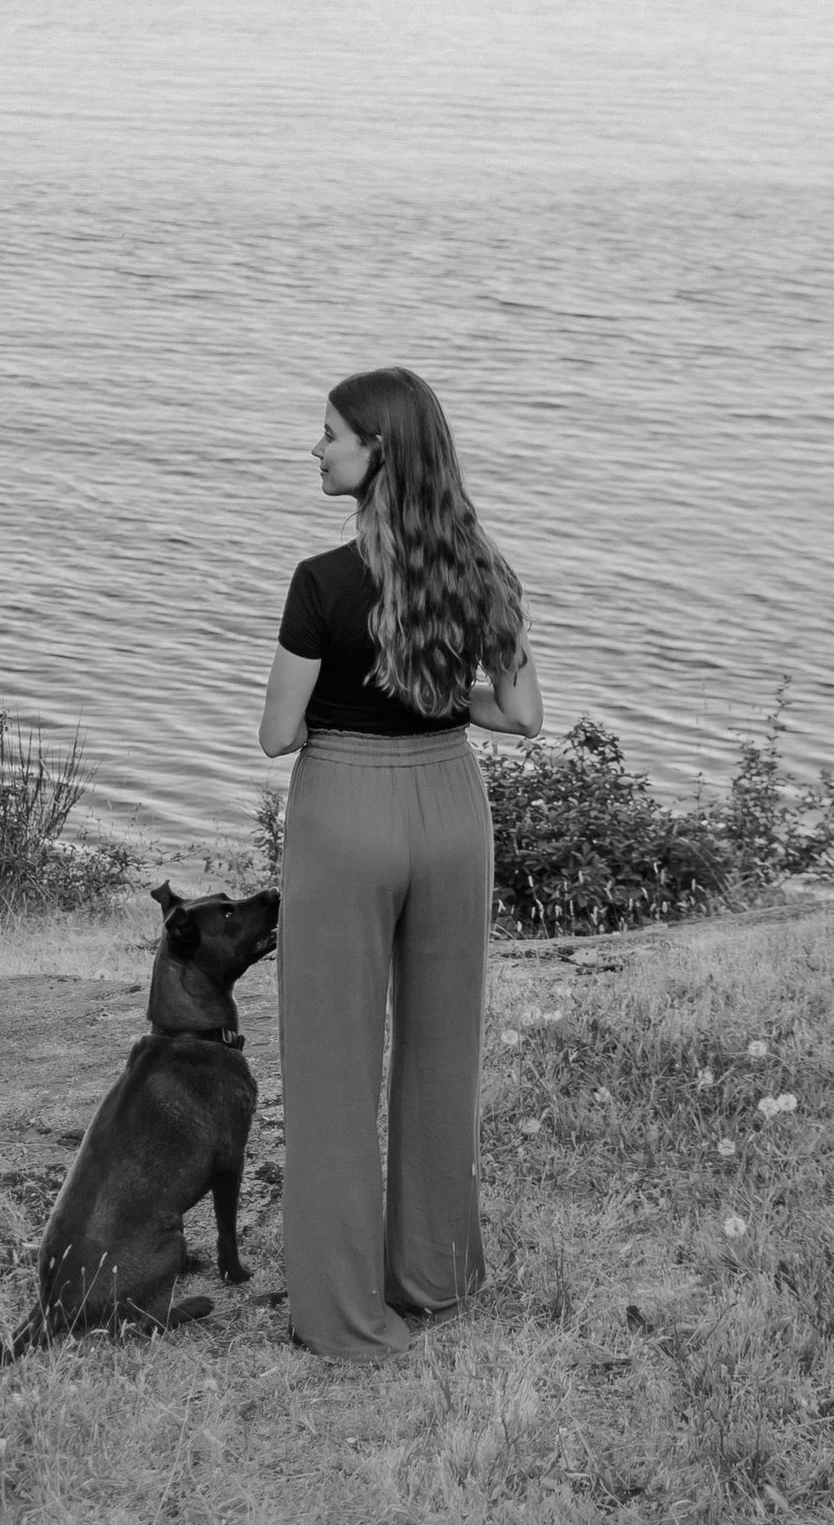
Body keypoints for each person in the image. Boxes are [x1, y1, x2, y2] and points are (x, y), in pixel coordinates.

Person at [256, 366, 544, 1361]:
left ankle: (340, 1316)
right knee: (440, 1053)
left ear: (377, 451)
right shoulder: (480, 568)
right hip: (454, 813)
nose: (317, 447)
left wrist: (365, 691)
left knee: (334, 1071)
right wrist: (434, 693)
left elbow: (277, 735)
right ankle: (433, 1277)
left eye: (331, 433)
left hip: (345, 812)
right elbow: (521, 716)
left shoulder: (321, 582)